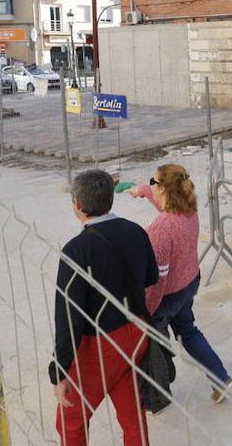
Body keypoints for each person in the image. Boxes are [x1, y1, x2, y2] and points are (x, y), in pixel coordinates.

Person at [50, 169, 159, 446]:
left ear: (77, 205)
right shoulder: (135, 230)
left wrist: (59, 370)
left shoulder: (76, 250)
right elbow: (151, 278)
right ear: (111, 198)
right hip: (136, 329)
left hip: (99, 344)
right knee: (132, 410)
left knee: (70, 419)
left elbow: (69, 318)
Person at [131, 164, 232, 403]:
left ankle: (155, 398)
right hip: (189, 283)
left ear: (165, 188)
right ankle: (221, 378)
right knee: (188, 332)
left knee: (152, 348)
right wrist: (145, 190)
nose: (152, 185)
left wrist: (146, 310)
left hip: (167, 296)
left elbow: (157, 281)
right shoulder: (189, 209)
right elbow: (165, 206)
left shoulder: (160, 229)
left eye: (154, 182)